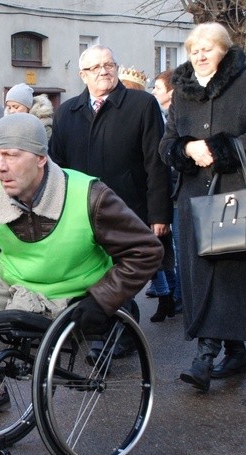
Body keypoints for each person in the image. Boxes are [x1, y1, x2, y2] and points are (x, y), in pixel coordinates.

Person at [0, 113, 163, 455]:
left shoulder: (90, 196)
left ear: (41, 157)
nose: (0, 166)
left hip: (69, 295)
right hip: (14, 286)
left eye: (11, 155)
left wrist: (103, 299)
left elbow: (147, 251)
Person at [159, 22, 246, 390]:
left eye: (208, 47)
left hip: (234, 196)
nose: (199, 53)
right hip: (193, 198)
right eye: (194, 48)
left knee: (226, 275)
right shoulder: (181, 92)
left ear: (224, 51)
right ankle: (236, 352)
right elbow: (166, 144)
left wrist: (218, 148)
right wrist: (185, 148)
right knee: (201, 276)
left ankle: (204, 357)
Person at [49, 45, 171, 359]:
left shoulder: (142, 105)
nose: (104, 71)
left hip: (129, 207)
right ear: (83, 75)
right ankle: (102, 332)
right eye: (95, 67)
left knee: (121, 271)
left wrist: (159, 214)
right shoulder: (67, 112)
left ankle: (118, 336)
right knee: (91, 272)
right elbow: (57, 165)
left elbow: (155, 163)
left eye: (109, 64)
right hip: (80, 211)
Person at [117, 65, 177, 322]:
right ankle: (167, 296)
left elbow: (156, 161)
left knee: (154, 254)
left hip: (144, 196)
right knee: (151, 255)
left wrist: (158, 209)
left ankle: (168, 297)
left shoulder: (149, 112)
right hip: (131, 195)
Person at [150, 69, 183, 315]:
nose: (154, 92)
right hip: (168, 188)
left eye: (158, 88)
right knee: (165, 247)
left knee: (179, 247)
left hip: (178, 189)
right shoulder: (163, 114)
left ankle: (179, 295)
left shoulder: (178, 117)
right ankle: (170, 293)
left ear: (171, 91)